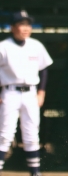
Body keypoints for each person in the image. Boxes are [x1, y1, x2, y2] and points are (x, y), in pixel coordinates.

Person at [0, 11, 53, 176]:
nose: (25, 28)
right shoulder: (4, 46)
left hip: (31, 93)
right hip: (10, 92)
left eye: (28, 25)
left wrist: (41, 92)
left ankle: (35, 173)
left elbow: (44, 69)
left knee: (31, 135)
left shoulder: (36, 45)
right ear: (12, 27)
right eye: (21, 24)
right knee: (5, 135)